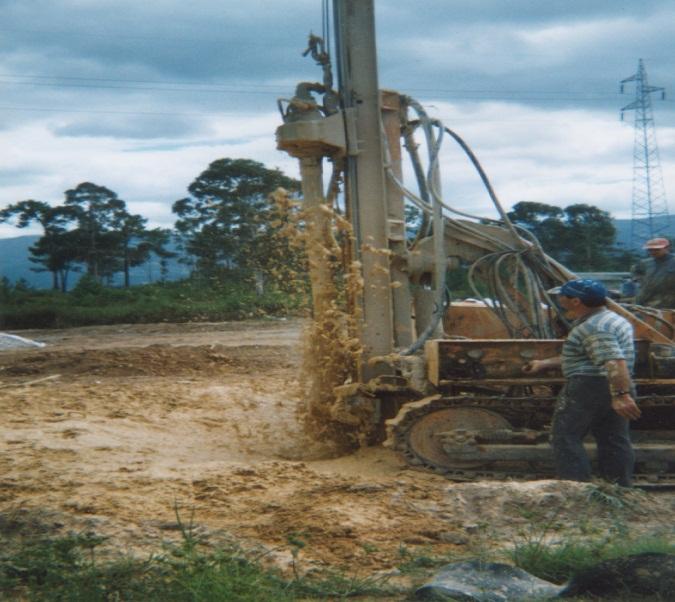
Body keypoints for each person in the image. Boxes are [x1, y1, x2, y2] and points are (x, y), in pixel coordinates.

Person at [523, 279, 641, 486]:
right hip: (610, 383)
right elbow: (594, 355)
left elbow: (613, 361)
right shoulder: (611, 319)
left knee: (565, 435)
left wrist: (621, 396)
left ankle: (575, 489)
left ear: (576, 301)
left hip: (591, 385)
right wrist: (544, 363)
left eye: (563, 295)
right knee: (613, 438)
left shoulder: (595, 327)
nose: (559, 298)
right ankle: (618, 487)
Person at [632, 237, 675, 308]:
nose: (653, 252)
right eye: (650, 250)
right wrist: (639, 280)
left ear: (667, 248)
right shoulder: (646, 263)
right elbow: (636, 272)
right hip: (645, 299)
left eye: (657, 250)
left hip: (668, 302)